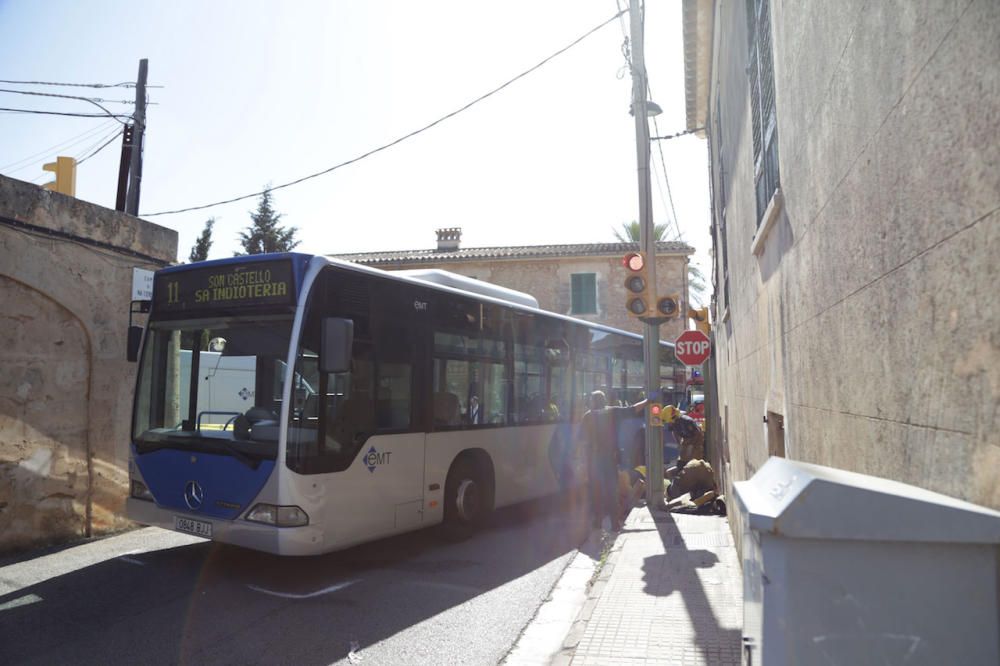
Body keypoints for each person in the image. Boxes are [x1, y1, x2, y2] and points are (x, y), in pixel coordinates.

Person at [581, 390, 647, 531]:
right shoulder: (611, 412)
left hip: (594, 460)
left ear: (592, 402)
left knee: (596, 492)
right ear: (603, 401)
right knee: (612, 491)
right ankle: (614, 524)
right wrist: (648, 400)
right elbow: (632, 409)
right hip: (609, 459)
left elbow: (583, 442)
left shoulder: (587, 417)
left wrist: (583, 464)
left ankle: (598, 523)